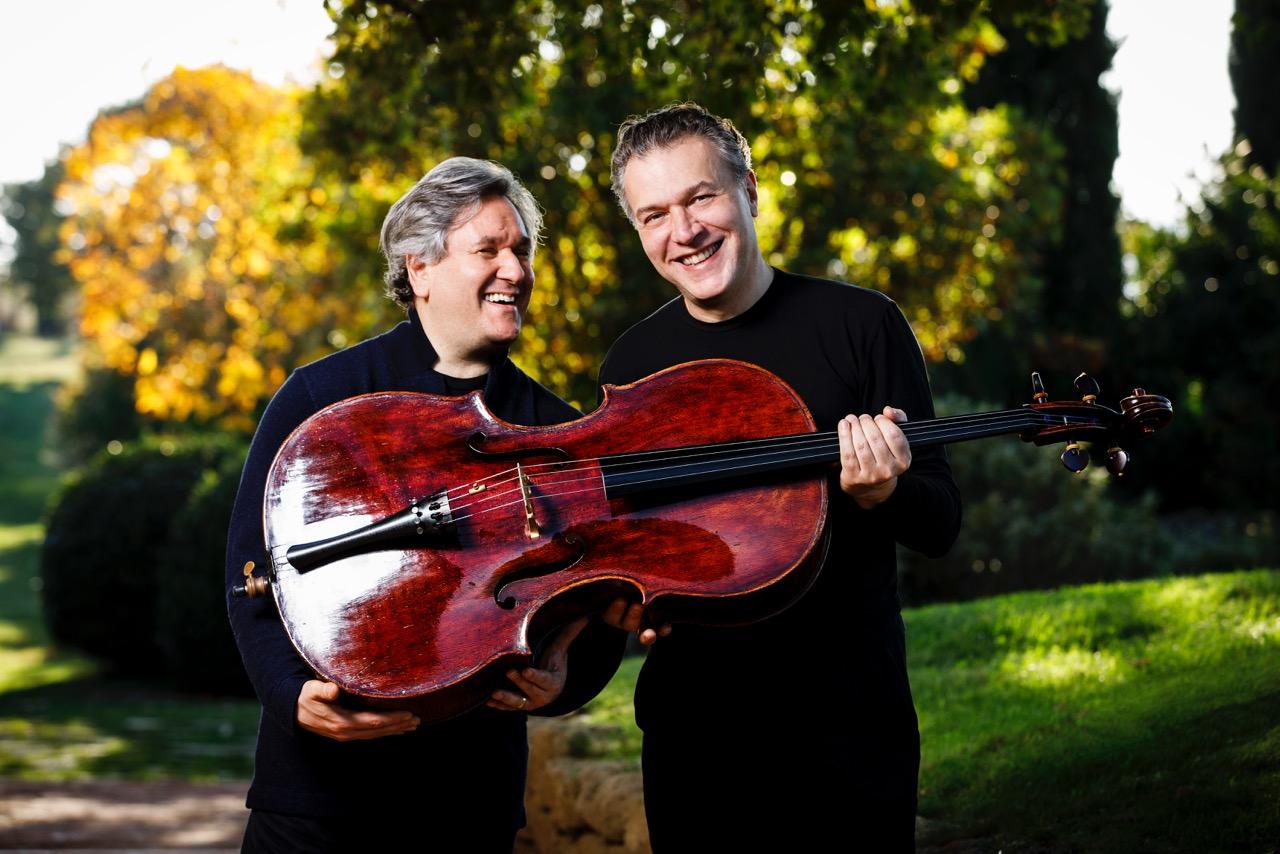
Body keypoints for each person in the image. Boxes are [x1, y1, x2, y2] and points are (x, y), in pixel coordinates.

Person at [225, 157, 623, 852]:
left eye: (522, 250)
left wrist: (566, 681)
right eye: (488, 250)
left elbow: (602, 595)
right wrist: (288, 693)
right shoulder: (323, 401)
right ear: (420, 269)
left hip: (466, 806)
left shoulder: (555, 431)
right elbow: (249, 571)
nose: (516, 270)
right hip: (316, 805)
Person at [598, 103, 963, 851]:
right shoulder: (630, 369)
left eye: (701, 197)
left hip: (847, 730)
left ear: (749, 191)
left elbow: (940, 522)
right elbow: (624, 552)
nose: (684, 231)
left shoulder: (863, 325)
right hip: (695, 736)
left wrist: (885, 491)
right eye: (654, 215)